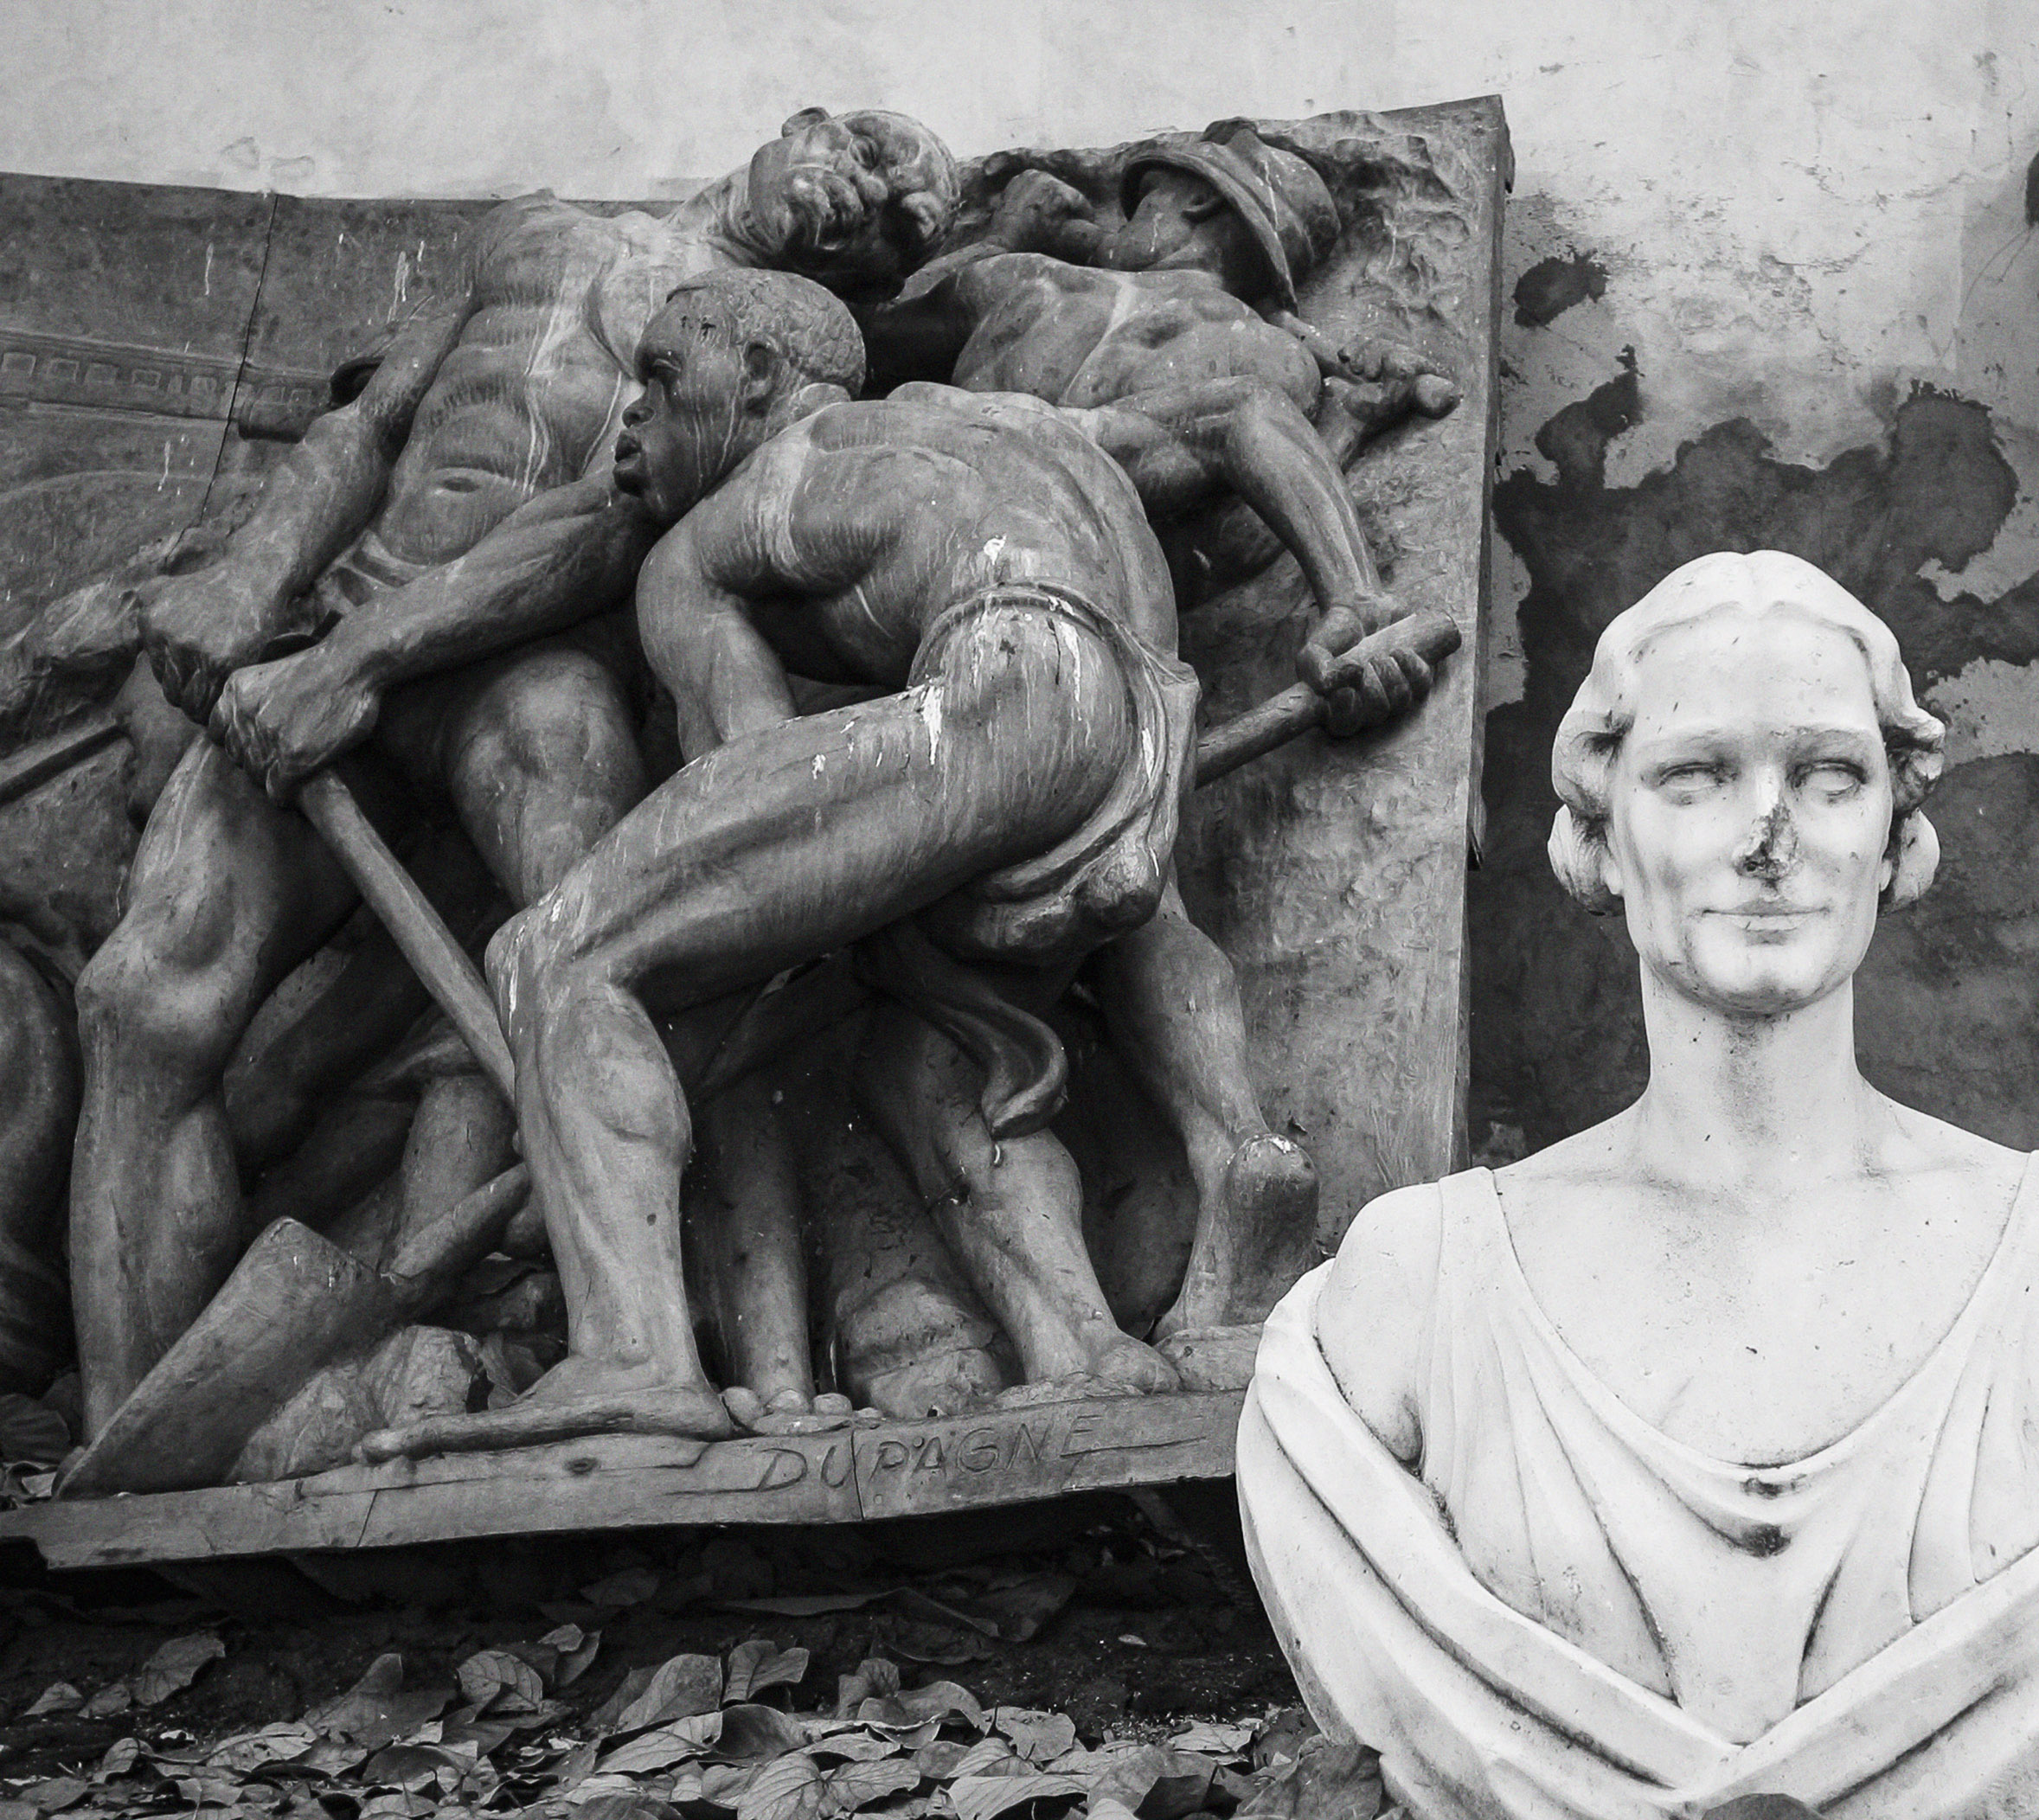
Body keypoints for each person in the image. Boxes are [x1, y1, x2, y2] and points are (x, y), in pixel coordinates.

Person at [1236, 552, 2039, 1820]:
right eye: (1697, 775)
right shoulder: (1414, 1296)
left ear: (1900, 836)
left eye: (1827, 775)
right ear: (1597, 835)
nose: (1769, 830)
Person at [359, 272, 1388, 1459]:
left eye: (657, 379)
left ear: (753, 377)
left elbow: (755, 784)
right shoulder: (1013, 420)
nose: (628, 422)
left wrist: (613, 1100)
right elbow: (1245, 420)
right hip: (1143, 719)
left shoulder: (703, 541)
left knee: (555, 951)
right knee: (939, 1043)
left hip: (994, 686)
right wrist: (1353, 601)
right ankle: (1152, 1264)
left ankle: (633, 1354)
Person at [58, 111, 958, 1437]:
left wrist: (353, 666)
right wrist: (252, 577)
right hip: (340, 625)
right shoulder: (532, 233)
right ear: (800, 128)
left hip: (531, 667)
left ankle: (666, 1360)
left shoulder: (750, 344)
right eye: (870, 165)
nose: (863, 207)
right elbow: (369, 425)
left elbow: (604, 519)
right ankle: (138, 1432)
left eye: (892, 227)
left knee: (616, 966)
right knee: (140, 998)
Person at [852, 120, 1456, 1343]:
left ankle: (1356, 602)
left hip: (968, 560)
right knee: (1139, 893)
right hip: (1097, 601)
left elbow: (833, 362)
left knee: (940, 961)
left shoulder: (1025, 288)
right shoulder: (1260, 353)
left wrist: (996, 226)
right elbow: (1224, 550)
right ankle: (1234, 1139)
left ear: (1178, 201)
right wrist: (1352, 427)